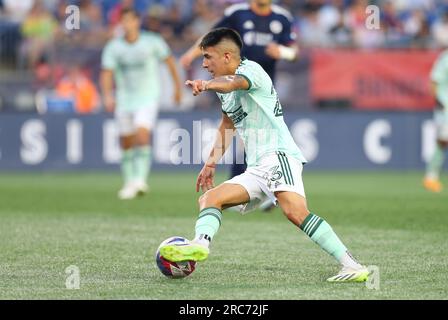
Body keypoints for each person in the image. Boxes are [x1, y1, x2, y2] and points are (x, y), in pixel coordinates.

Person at [160, 28, 368, 282]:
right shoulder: (222, 89)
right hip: (257, 167)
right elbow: (227, 125)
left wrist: (206, 85)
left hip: (278, 154)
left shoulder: (252, 71)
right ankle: (201, 245)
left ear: (227, 56)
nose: (203, 64)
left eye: (207, 57)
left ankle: (352, 266)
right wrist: (210, 163)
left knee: (296, 212)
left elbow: (234, 83)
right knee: (210, 198)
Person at [180, 0, 299, 200]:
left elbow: (294, 52)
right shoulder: (238, 13)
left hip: (261, 86)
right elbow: (213, 36)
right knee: (242, 133)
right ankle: (256, 189)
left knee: (255, 137)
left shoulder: (282, 17)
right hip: (233, 80)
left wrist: (284, 52)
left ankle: (261, 189)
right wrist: (192, 54)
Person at [100, 8, 182, 200]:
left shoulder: (152, 42)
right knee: (126, 141)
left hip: (147, 96)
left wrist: (177, 88)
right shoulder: (114, 47)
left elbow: (170, 62)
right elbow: (107, 72)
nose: (127, 25)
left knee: (142, 134)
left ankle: (140, 180)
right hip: (124, 98)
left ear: (137, 22)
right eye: (124, 21)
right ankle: (129, 181)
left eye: (131, 21)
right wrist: (107, 95)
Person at [423, 48, 448, 192]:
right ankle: (431, 176)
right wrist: (439, 101)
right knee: (443, 141)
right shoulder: (446, 58)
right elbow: (434, 81)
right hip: (445, 108)